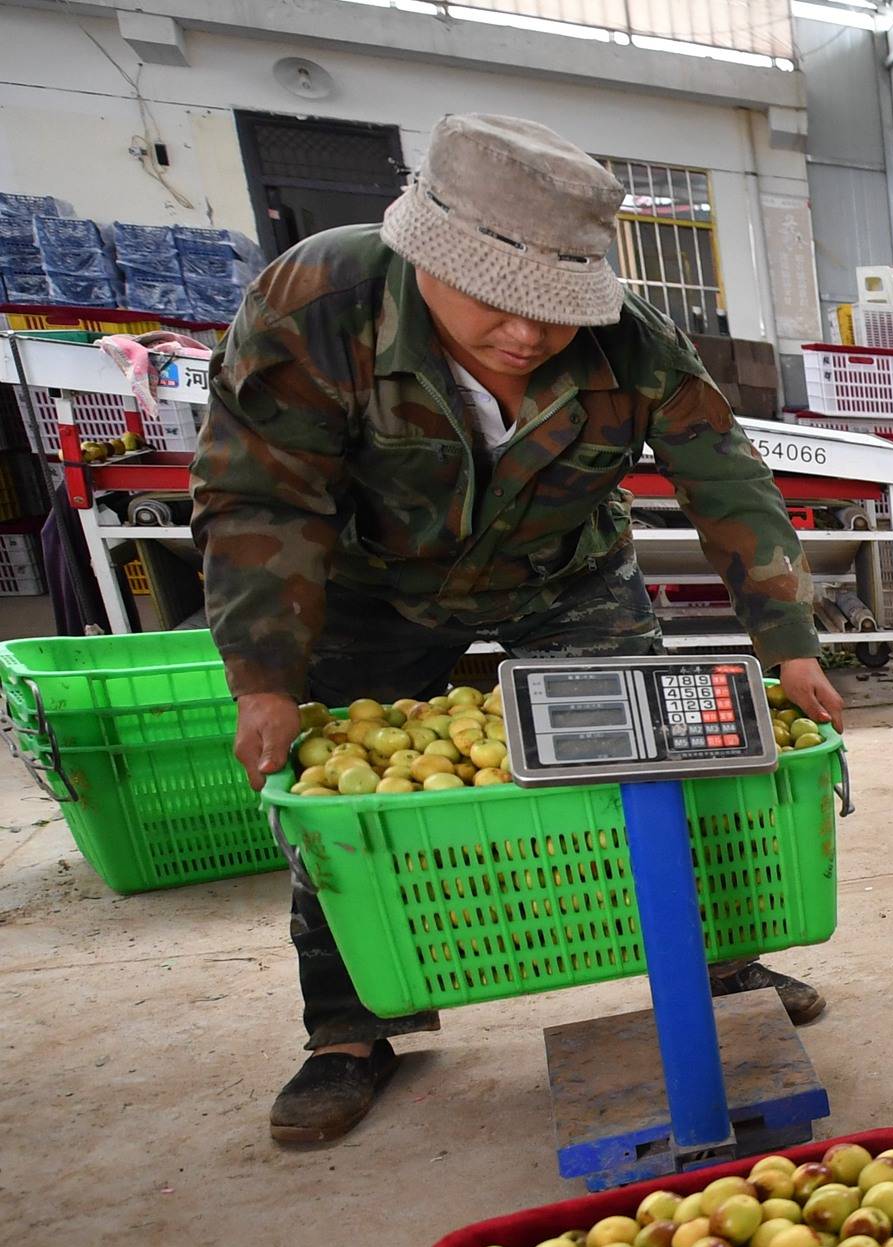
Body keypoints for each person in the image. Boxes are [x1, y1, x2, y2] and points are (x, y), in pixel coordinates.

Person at [194, 114, 847, 1146]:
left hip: (566, 571)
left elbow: (726, 479)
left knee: (671, 760)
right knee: (340, 806)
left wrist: (789, 638)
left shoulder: (634, 347)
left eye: (554, 310)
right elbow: (262, 501)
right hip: (370, 585)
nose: (527, 334)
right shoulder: (319, 304)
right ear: (428, 252)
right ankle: (350, 1025)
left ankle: (716, 957)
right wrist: (265, 677)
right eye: (497, 301)